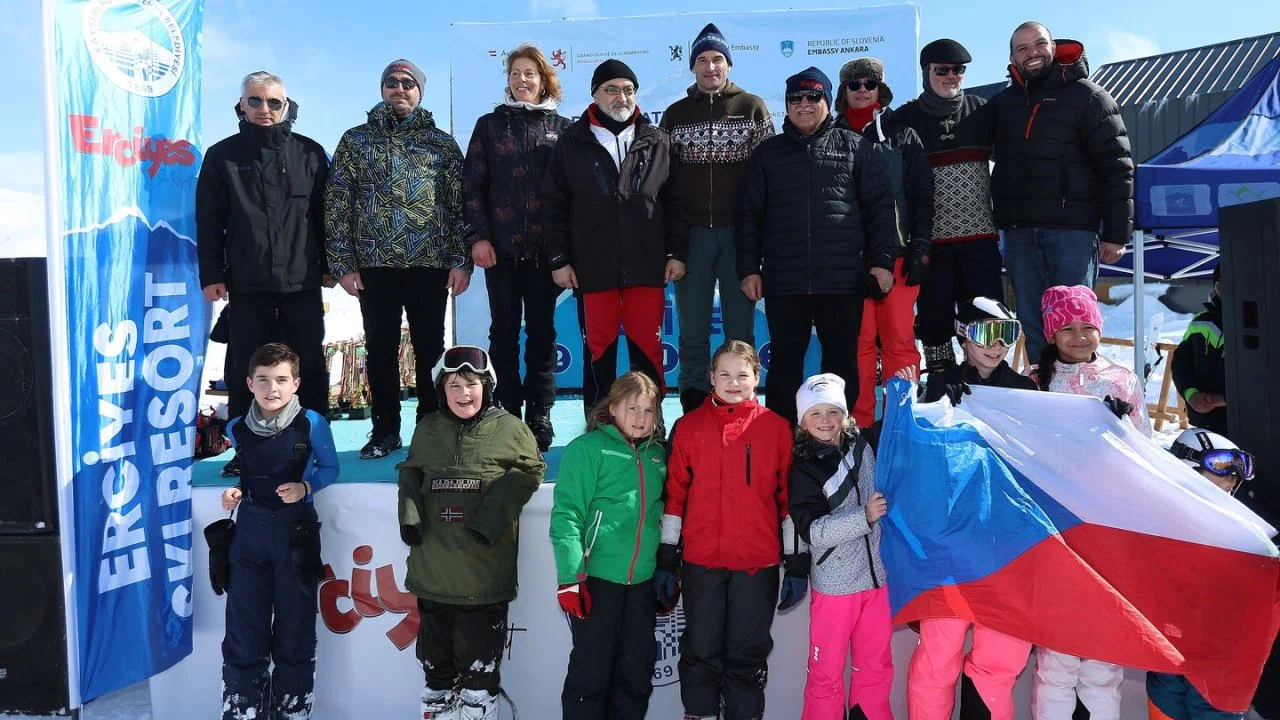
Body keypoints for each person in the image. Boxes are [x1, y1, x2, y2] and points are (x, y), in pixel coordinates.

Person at [896, 298, 1036, 720]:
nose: (996, 346)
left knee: (1000, 658)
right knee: (939, 654)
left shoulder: (1027, 391)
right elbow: (908, 452)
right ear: (963, 336)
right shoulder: (939, 385)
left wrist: (1106, 419)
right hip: (951, 543)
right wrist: (921, 405)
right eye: (985, 334)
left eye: (1006, 335)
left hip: (1006, 544)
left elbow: (1052, 454)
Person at [736, 66, 898, 424]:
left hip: (841, 280)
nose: (804, 104)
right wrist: (748, 269)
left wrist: (882, 262)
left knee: (841, 363)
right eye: (795, 98)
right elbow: (749, 216)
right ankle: (782, 439)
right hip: (784, 280)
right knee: (784, 363)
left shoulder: (856, 147)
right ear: (787, 105)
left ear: (827, 100)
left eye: (813, 96)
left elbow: (880, 210)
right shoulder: (767, 154)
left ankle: (837, 438)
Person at [326, 59, 471, 459]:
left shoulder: (441, 144)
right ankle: (385, 430)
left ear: (420, 92)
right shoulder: (356, 140)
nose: (399, 88)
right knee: (380, 348)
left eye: (408, 83)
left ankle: (431, 428)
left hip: (430, 262)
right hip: (374, 264)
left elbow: (461, 206)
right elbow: (337, 202)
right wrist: (342, 262)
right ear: (382, 88)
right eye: (392, 82)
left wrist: (461, 260)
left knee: (430, 349)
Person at [396, 345, 545, 720]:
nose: (464, 393)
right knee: (435, 672)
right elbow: (411, 472)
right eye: (454, 385)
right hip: (433, 573)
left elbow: (530, 471)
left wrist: (490, 519)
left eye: (472, 384)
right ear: (441, 391)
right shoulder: (428, 428)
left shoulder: (511, 429)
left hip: (483, 577)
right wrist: (410, 518)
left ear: (487, 387)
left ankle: (479, 709)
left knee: (478, 676)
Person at [197, 71, 332, 477]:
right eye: (255, 100)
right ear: (241, 105)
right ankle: (245, 450)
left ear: (286, 106)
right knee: (245, 367)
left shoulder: (310, 153)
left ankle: (313, 445)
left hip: (301, 281)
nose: (264, 109)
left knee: (308, 365)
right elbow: (209, 220)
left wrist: (330, 266)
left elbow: (327, 217)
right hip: (247, 281)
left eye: (274, 102)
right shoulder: (222, 156)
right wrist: (211, 273)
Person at [657, 340, 801, 720]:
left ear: (756, 377)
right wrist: (667, 557)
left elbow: (789, 504)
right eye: (724, 374)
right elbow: (674, 498)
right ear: (710, 378)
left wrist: (796, 563)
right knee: (700, 652)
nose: (733, 383)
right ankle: (699, 715)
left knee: (746, 656)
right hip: (701, 563)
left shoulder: (777, 429)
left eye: (742, 375)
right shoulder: (688, 427)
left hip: (757, 565)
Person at [1026, 285, 1151, 720]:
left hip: (1108, 529)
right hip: (1055, 529)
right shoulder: (1033, 382)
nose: (1079, 337)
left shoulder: (1122, 379)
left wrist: (1123, 429)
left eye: (1087, 327)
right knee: (1056, 660)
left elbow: (1145, 452)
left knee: (1102, 659)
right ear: (1051, 334)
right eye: (1067, 329)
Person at [541, 59, 689, 418]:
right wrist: (559, 259)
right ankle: (598, 425)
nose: (621, 97)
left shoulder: (657, 141)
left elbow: (676, 203)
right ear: (595, 94)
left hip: (645, 267)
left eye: (628, 89)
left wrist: (676, 253)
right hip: (594, 269)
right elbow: (553, 206)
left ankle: (651, 428)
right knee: (599, 352)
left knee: (648, 353)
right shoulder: (571, 142)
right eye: (611, 89)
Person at [991, 22, 1134, 359]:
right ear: (1012, 58)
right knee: (1035, 325)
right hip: (1020, 235)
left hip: (1072, 234)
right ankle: (1043, 387)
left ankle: (1079, 388)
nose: (1032, 52)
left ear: (1053, 48)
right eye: (1022, 48)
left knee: (1075, 325)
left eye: (1039, 44)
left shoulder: (1089, 97)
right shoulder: (1004, 104)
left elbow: (1117, 166)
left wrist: (1116, 234)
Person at [218, 343, 339, 720]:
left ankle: (292, 712)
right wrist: (234, 494)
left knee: (295, 632)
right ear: (249, 383)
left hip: (295, 536)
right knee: (244, 632)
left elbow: (330, 468)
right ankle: (242, 711)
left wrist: (305, 488)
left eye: (282, 380)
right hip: (249, 536)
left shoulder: (312, 423)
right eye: (264, 380)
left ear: (296, 383)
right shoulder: (236, 427)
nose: (273, 388)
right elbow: (247, 472)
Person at [463, 44, 573, 452]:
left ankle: (540, 413)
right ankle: (506, 410)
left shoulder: (563, 128)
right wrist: (478, 237)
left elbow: (571, 194)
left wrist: (565, 251)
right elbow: (472, 186)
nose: (521, 80)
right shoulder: (490, 126)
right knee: (503, 333)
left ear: (544, 79)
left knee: (542, 333)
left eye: (530, 73)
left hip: (546, 254)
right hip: (501, 252)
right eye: (515, 73)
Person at [661, 23, 775, 413]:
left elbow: (768, 177)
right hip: (692, 236)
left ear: (729, 64)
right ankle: (694, 408)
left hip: (739, 236)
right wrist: (672, 244)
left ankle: (742, 406)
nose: (710, 67)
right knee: (692, 330)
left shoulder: (752, 108)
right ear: (693, 66)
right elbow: (665, 183)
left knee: (739, 331)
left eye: (717, 59)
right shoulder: (675, 115)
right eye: (703, 60)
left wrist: (760, 238)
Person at [549, 371, 667, 720]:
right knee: (591, 673)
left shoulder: (657, 455)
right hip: (598, 581)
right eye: (632, 408)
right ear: (612, 407)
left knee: (636, 673)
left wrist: (668, 568)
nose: (640, 418)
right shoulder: (588, 449)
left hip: (642, 583)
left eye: (648, 410)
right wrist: (571, 578)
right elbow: (567, 515)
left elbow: (662, 516)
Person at [833, 57, 935, 428]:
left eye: (869, 84)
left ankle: (901, 422)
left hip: (898, 254)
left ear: (881, 89)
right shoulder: (831, 134)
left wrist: (921, 244)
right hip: (850, 259)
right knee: (858, 343)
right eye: (854, 84)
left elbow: (922, 193)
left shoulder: (902, 134)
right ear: (843, 91)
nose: (862, 90)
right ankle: (859, 424)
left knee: (899, 341)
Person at [894, 39, 1005, 374]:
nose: (951, 76)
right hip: (930, 242)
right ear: (926, 73)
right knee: (935, 318)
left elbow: (1014, 161)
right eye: (941, 70)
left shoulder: (982, 111)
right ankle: (941, 380)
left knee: (986, 316)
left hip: (980, 239)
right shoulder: (904, 119)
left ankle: (985, 381)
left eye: (958, 70)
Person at [788, 372, 894, 720]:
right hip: (835, 589)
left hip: (876, 584)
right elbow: (813, 532)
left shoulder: (863, 444)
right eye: (815, 413)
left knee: (875, 668)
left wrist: (906, 392)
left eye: (833, 411)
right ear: (803, 421)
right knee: (826, 676)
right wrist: (864, 516)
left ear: (845, 415)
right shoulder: (804, 468)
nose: (825, 420)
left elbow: (896, 425)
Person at [1146, 428, 1257, 720]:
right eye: (1218, 480)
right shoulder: (1152, 517)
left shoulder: (1248, 529)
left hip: (1219, 661)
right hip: (1169, 650)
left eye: (1231, 483)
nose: (1227, 488)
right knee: (1165, 702)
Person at [1172, 266, 1228, 436]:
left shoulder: (1261, 320)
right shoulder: (1200, 321)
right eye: (1220, 283)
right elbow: (1181, 362)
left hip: (1252, 422)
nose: (1226, 289)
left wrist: (1225, 399)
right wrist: (1191, 394)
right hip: (1205, 422)